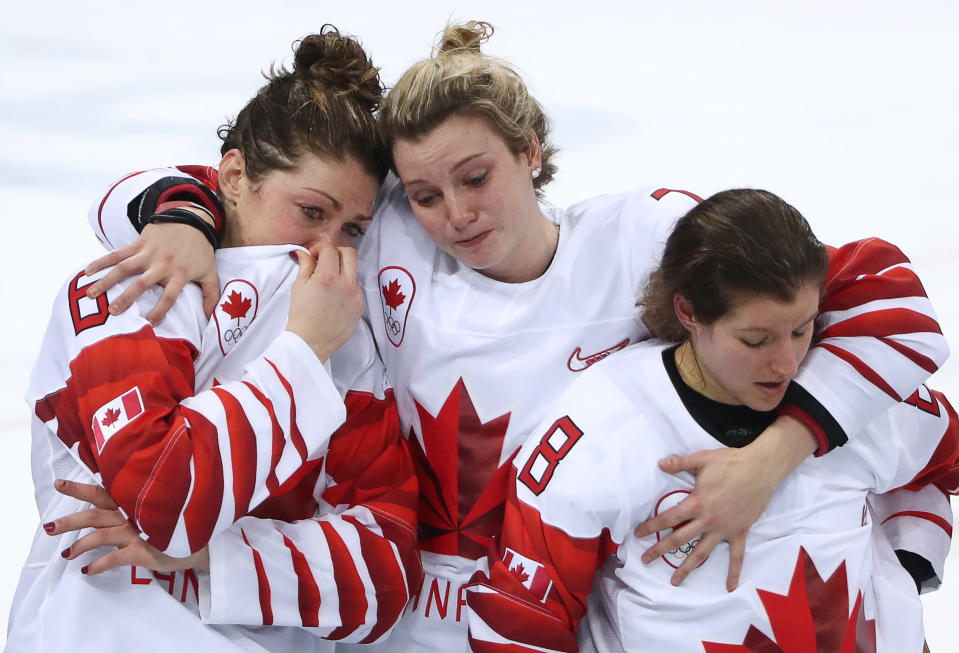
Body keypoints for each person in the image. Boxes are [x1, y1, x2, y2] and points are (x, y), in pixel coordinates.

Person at [79, 21, 950, 653]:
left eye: (476, 176)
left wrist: (774, 459)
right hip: (410, 624)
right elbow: (244, 187)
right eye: (425, 193)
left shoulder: (645, 238)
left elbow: (882, 298)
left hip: (581, 612)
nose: (454, 213)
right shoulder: (388, 235)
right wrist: (184, 217)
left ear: (530, 150)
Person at [7, 28, 420, 653]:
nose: (325, 250)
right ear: (234, 174)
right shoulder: (133, 287)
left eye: (354, 228)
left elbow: (387, 578)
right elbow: (164, 497)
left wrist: (214, 560)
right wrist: (302, 353)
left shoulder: (350, 340)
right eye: (311, 212)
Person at [466, 189, 959, 652]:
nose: (787, 363)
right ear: (689, 312)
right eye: (755, 340)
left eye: (801, 330)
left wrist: (914, 553)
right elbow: (520, 616)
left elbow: (943, 465)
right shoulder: (603, 426)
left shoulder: (856, 391)